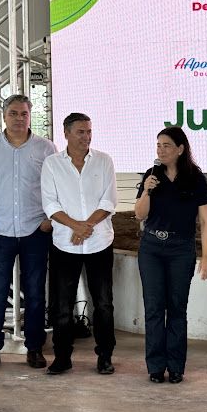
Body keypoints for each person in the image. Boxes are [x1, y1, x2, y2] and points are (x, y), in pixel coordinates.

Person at [0, 95, 56, 370]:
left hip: (35, 230)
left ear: (31, 117)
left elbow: (58, 187)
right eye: (14, 113)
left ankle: (34, 348)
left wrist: (49, 221)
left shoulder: (46, 148)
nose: (20, 119)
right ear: (4, 117)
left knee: (34, 294)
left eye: (25, 114)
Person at [41, 113, 118, 375]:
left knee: (104, 304)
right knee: (62, 305)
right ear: (66, 133)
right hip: (65, 242)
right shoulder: (52, 164)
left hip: (99, 242)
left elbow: (108, 202)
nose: (86, 137)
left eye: (89, 132)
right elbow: (50, 204)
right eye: (81, 132)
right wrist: (76, 226)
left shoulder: (104, 161)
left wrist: (85, 228)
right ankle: (62, 357)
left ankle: (105, 356)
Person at [134, 127, 207, 384]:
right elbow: (139, 214)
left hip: (181, 249)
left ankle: (176, 366)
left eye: (166, 145)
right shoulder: (151, 176)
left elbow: (205, 221)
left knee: (177, 308)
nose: (161, 150)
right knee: (154, 308)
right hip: (151, 248)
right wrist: (146, 190)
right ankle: (155, 366)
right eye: (158, 145)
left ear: (180, 149)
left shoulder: (196, 179)